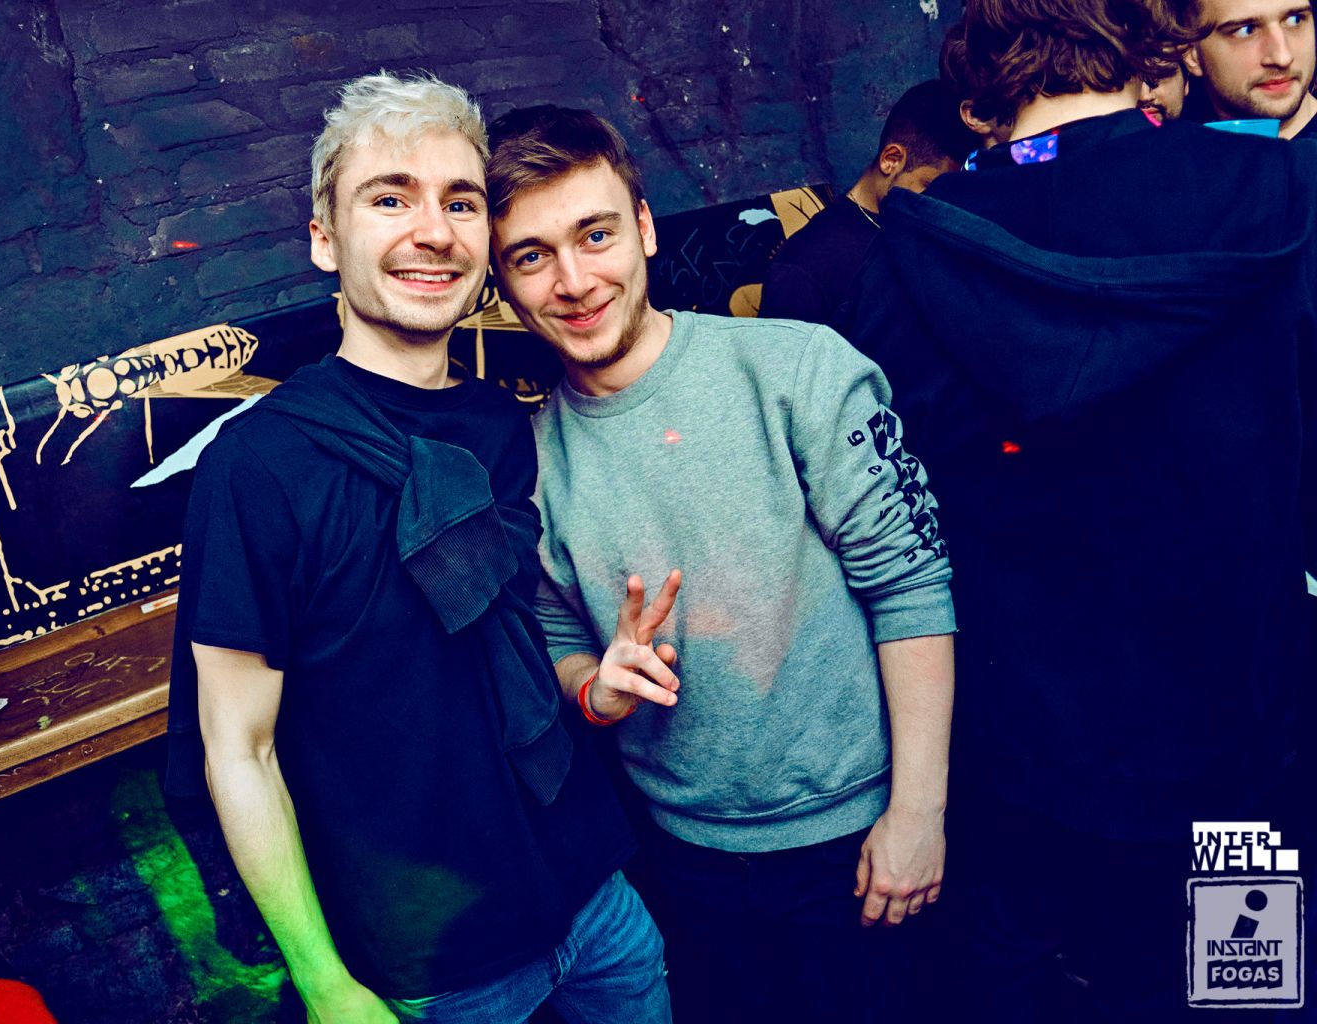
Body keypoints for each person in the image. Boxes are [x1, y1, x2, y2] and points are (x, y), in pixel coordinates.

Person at [164, 72, 670, 1024]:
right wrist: (324, 983)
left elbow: (499, 653)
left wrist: (591, 687)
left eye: (460, 202)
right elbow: (239, 749)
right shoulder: (260, 466)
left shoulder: (497, 423)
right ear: (325, 239)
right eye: (389, 198)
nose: (433, 231)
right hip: (437, 965)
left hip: (593, 898)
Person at [848, 0, 1314, 1018]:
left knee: (1007, 986)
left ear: (982, 73)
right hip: (1240, 740)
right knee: (1246, 990)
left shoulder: (905, 254)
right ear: (1147, 44)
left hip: (1015, 756)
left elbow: (893, 528)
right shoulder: (1275, 192)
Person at [487, 105, 957, 1023]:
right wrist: (597, 689)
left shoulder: (796, 370)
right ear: (503, 283)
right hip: (676, 859)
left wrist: (918, 814)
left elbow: (911, 586)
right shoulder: (528, 462)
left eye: (595, 235)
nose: (574, 282)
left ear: (644, 226)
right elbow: (553, 632)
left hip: (858, 843)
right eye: (533, 256)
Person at [759, 80, 976, 332]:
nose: (939, 204)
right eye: (928, 187)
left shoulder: (925, 233)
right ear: (891, 160)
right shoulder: (806, 267)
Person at [1180, 0, 1317, 136]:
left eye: (1295, 20)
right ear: (1191, 54)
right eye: (1246, 30)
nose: (1282, 58)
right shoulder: (1180, 142)